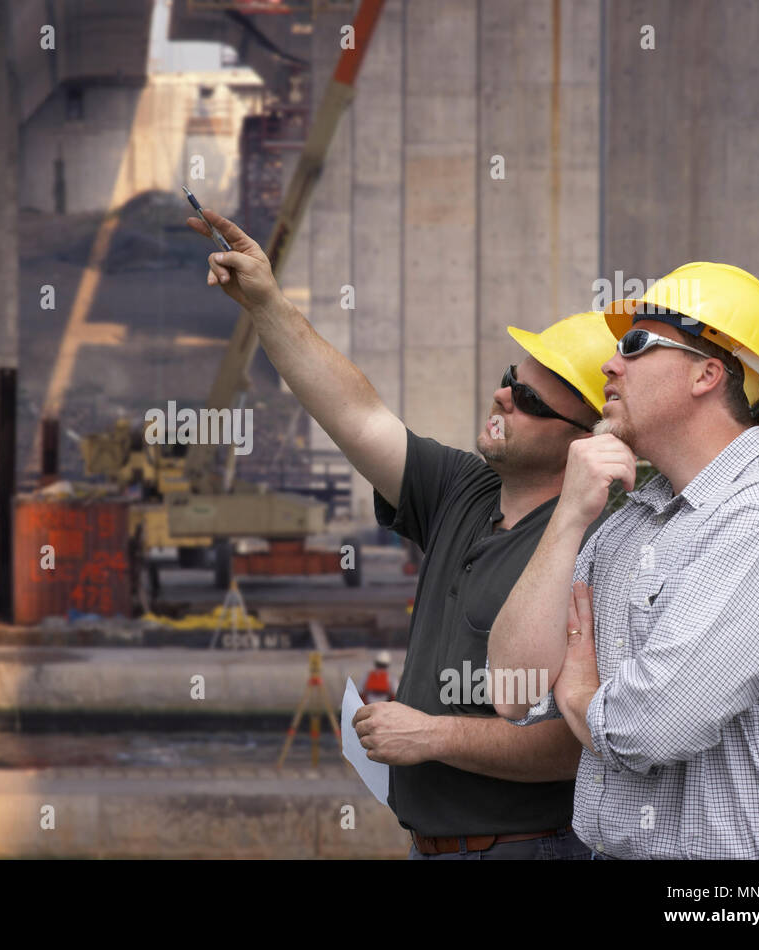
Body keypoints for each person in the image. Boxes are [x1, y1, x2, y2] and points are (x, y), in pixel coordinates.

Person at [189, 207, 613, 859]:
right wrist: (266, 302)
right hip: (433, 846)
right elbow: (356, 412)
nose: (502, 398)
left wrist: (434, 736)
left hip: (531, 848)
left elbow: (581, 745)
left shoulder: (598, 546)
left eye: (529, 401)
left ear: (583, 441)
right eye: (509, 381)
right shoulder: (462, 492)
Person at [488, 262, 759, 859]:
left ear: (708, 373)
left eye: (634, 345)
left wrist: (578, 688)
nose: (609, 365)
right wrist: (569, 517)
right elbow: (512, 689)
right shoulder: (624, 525)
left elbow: (654, 724)